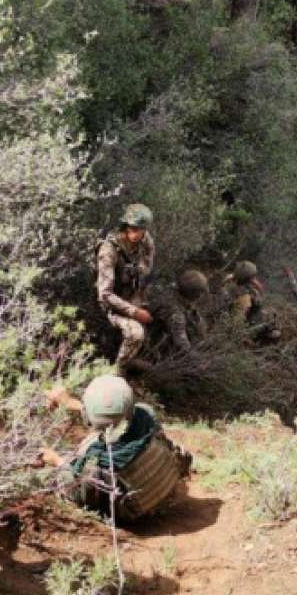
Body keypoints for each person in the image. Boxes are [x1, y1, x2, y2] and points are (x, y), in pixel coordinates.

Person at [57, 375, 192, 521]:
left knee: (69, 469)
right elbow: (114, 417)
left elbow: (78, 491)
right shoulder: (146, 416)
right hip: (164, 489)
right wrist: (70, 403)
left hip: (136, 515)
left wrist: (57, 461)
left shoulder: (98, 461)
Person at [96, 204, 156, 367]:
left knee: (162, 314)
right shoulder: (109, 250)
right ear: (126, 225)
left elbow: (146, 270)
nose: (135, 234)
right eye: (132, 228)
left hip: (133, 295)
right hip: (113, 304)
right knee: (136, 334)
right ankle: (118, 370)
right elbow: (105, 294)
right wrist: (135, 312)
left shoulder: (146, 240)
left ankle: (139, 358)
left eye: (140, 229)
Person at [146, 269, 210, 355]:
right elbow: (182, 345)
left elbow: (200, 328)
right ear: (197, 295)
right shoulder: (175, 312)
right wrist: (199, 359)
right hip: (156, 351)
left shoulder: (176, 296)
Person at [226, 260, 281, 342]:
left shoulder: (231, 281)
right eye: (253, 276)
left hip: (247, 315)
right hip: (243, 327)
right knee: (275, 333)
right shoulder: (245, 298)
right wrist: (263, 327)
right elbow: (237, 324)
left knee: (272, 312)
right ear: (249, 278)